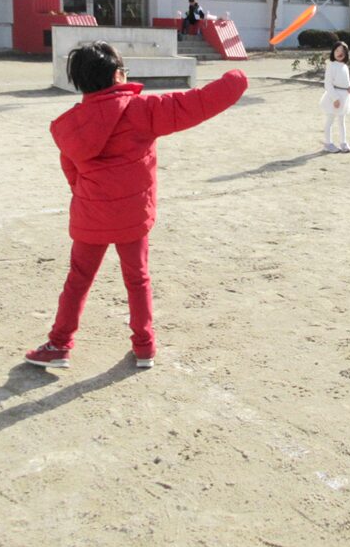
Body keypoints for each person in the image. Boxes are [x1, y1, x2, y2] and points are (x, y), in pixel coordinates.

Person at [25, 41, 248, 370]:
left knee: (78, 280)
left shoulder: (72, 124)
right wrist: (237, 76)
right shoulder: (142, 110)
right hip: (132, 216)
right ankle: (144, 347)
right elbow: (198, 103)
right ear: (118, 75)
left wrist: (92, 197)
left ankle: (59, 343)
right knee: (138, 279)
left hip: (91, 215)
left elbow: (71, 172)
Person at [320, 40, 350, 153]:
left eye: (342, 51)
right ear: (333, 52)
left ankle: (343, 142)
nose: (340, 53)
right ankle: (328, 143)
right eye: (337, 50)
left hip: (344, 97)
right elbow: (328, 84)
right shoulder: (331, 65)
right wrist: (335, 98)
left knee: (341, 120)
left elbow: (347, 81)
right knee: (330, 120)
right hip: (334, 97)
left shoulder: (344, 66)